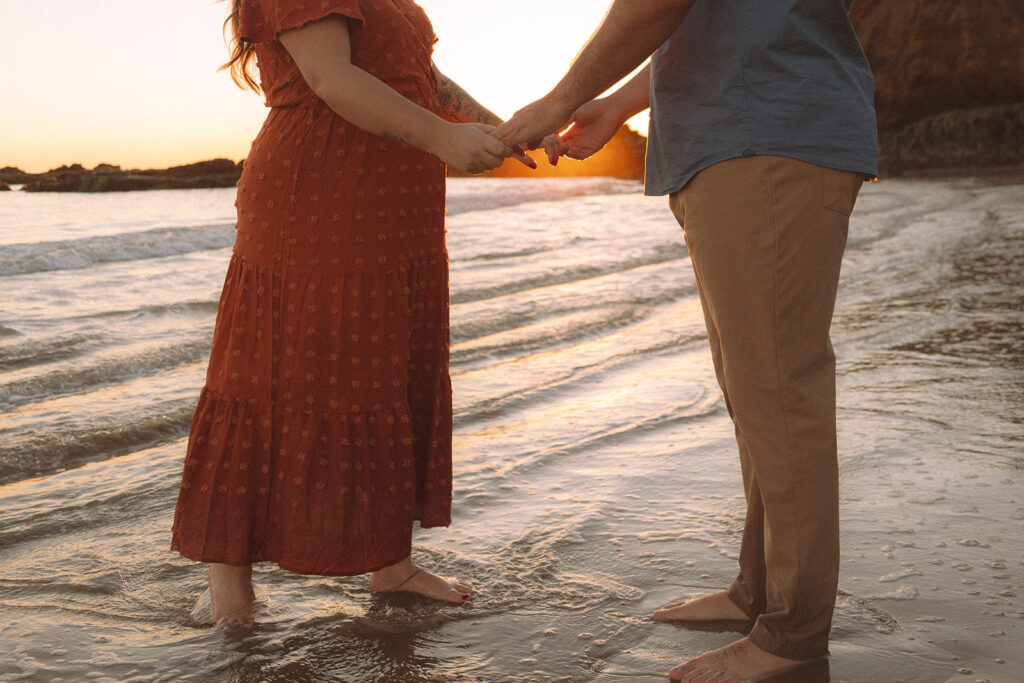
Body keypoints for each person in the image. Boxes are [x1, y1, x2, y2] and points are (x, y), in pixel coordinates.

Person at [496, 0, 877, 680]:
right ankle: (758, 591)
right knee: (755, 389)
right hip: (737, 133)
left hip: (764, 131)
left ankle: (793, 635)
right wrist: (615, 106)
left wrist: (562, 97)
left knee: (779, 390)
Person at [170, 0, 550, 626]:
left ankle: (390, 561)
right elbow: (332, 77)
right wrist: (444, 137)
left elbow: (424, 81)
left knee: (387, 370)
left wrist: (504, 128)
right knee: (267, 374)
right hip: (321, 194)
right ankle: (228, 589)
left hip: (395, 208)